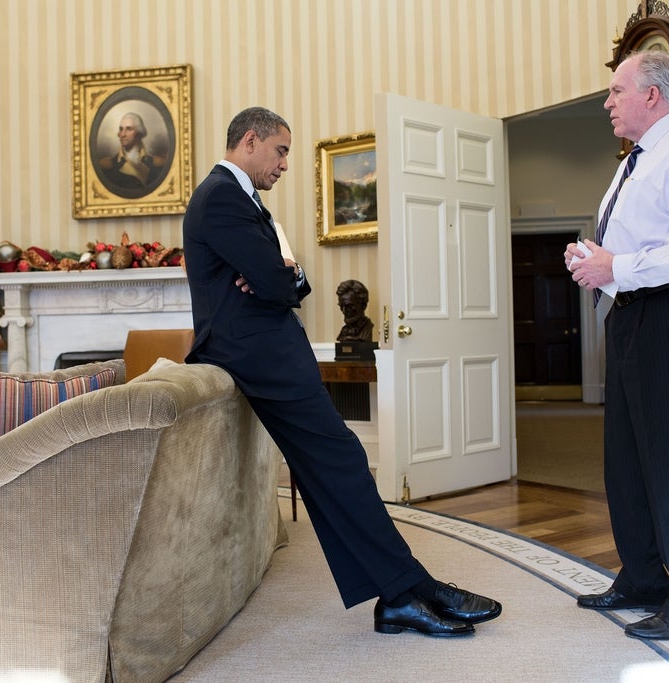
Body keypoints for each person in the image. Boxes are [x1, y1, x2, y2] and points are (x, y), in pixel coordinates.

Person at [183, 106, 502, 637]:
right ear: (250, 141)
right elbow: (273, 281)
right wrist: (277, 275)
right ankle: (409, 590)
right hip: (256, 355)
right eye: (281, 150)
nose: (285, 163)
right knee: (342, 461)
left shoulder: (241, 198)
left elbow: (288, 279)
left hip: (267, 353)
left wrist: (287, 273)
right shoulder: (221, 196)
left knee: (335, 466)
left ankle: (406, 591)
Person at [565, 51, 669, 641]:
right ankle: (642, 579)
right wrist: (596, 262)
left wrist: (620, 264)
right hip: (630, 317)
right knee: (628, 462)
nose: (608, 101)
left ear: (653, 96)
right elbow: (635, 247)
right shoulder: (634, 162)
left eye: (616, 91)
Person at [98, 112, 165, 196]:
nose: (122, 134)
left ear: (139, 133)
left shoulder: (158, 164)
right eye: (121, 129)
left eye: (129, 129)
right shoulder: (106, 166)